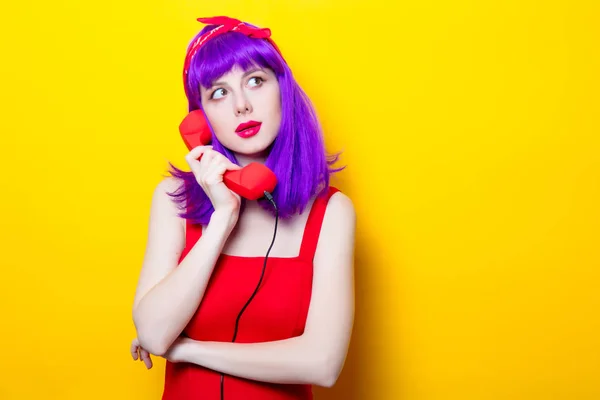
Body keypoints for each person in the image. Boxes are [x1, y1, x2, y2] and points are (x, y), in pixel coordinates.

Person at [129, 16, 356, 399]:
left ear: (282, 90)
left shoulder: (331, 212)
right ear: (198, 118)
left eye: (255, 81)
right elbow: (152, 332)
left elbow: (323, 363)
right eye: (218, 92)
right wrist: (222, 218)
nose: (242, 105)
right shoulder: (172, 201)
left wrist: (188, 350)